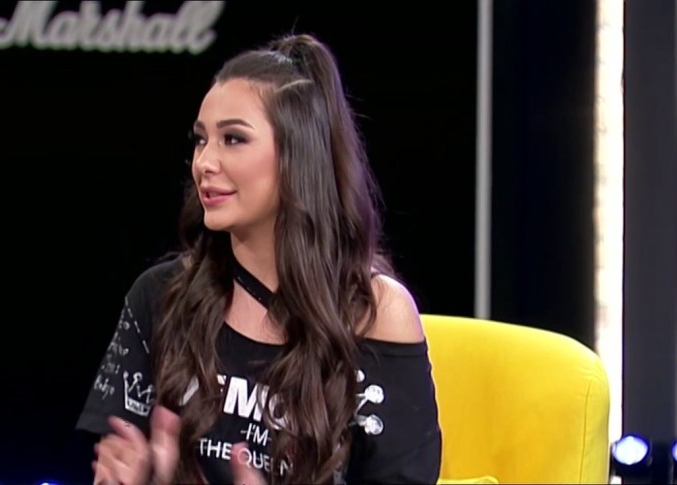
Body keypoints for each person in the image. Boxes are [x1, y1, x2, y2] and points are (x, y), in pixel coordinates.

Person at [75, 33, 442, 485]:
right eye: (200, 140)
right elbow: (118, 464)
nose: (204, 162)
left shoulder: (375, 313)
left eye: (233, 139)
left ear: (297, 157)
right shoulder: (159, 297)